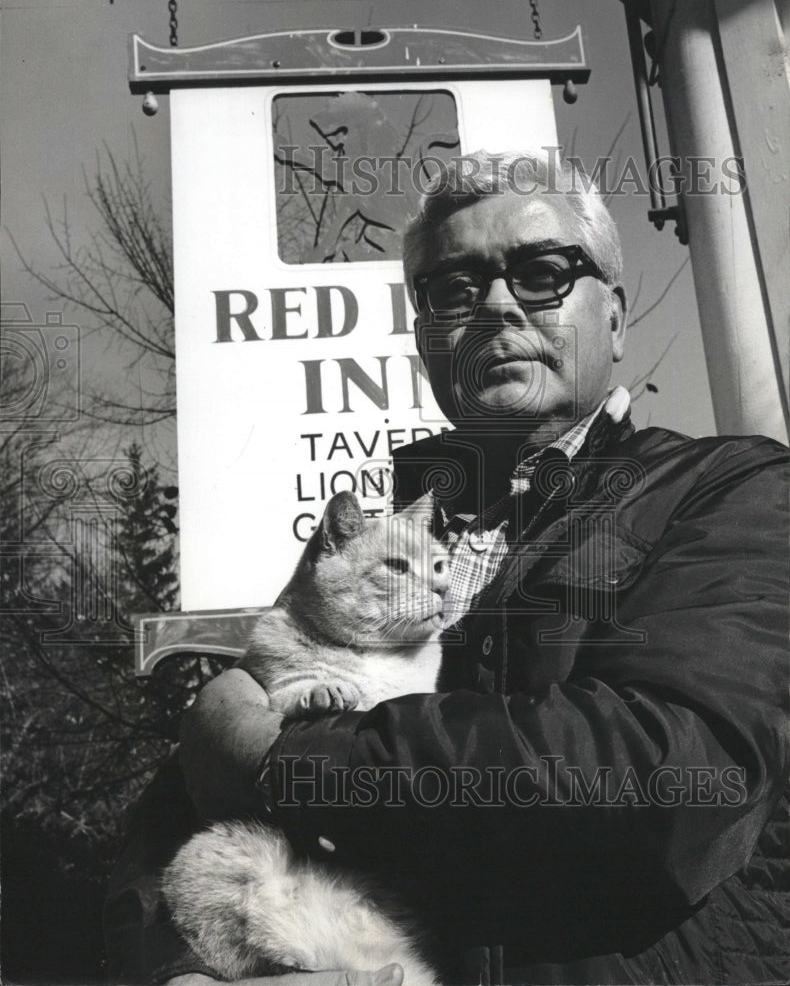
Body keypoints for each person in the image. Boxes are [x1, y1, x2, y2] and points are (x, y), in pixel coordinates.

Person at [104, 150, 789, 986]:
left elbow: (667, 773)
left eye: (542, 273)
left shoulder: (732, 490)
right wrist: (180, 965)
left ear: (613, 317)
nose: (497, 305)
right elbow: (187, 804)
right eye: (455, 288)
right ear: (427, 337)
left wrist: (281, 759)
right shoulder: (372, 540)